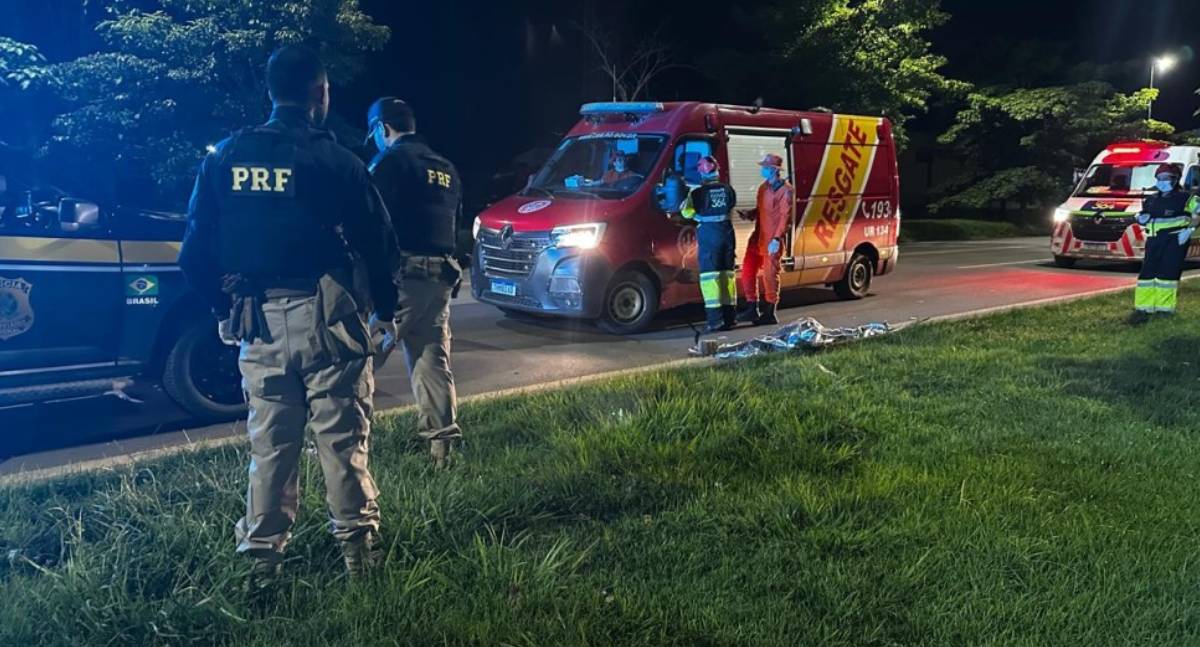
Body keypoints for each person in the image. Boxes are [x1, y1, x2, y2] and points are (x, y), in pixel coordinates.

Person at [179, 45, 400, 584]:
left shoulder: (224, 158)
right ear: (320, 94)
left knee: (271, 445)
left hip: (257, 322)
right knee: (342, 441)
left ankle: (262, 565)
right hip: (327, 317)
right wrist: (386, 310)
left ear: (270, 93)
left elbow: (192, 254)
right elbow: (380, 245)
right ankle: (360, 560)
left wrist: (223, 307)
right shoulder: (337, 161)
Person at [365, 98, 464, 467]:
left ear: (382, 128)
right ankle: (443, 449)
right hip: (440, 276)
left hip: (402, 277)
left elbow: (372, 225)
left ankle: (343, 445)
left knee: (360, 359)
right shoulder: (445, 167)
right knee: (431, 359)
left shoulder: (388, 163)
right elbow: (453, 222)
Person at [1130, 163, 1198, 324]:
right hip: (1154, 240)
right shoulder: (1151, 199)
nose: (1162, 182)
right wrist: (1140, 218)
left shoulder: (1185, 198)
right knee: (1147, 275)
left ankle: (1164, 310)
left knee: (1167, 275)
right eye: (1159, 178)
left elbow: (1198, 213)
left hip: (1174, 240)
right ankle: (1143, 309)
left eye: (1166, 178)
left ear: (1175, 179)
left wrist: (1189, 230)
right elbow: (1143, 215)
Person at [679, 155, 738, 332]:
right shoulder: (728, 189)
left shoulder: (698, 193)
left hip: (709, 237)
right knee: (727, 277)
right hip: (727, 235)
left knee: (710, 279)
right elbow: (730, 205)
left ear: (703, 173)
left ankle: (715, 320)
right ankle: (730, 318)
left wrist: (693, 211)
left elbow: (686, 212)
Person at [737, 154, 794, 326]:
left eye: (765, 167)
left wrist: (777, 238)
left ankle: (769, 312)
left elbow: (785, 217)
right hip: (758, 238)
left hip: (771, 240)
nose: (762, 169)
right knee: (747, 271)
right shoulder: (763, 188)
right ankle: (751, 307)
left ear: (774, 170)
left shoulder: (786, 191)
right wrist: (750, 214)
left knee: (770, 276)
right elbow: (762, 210)